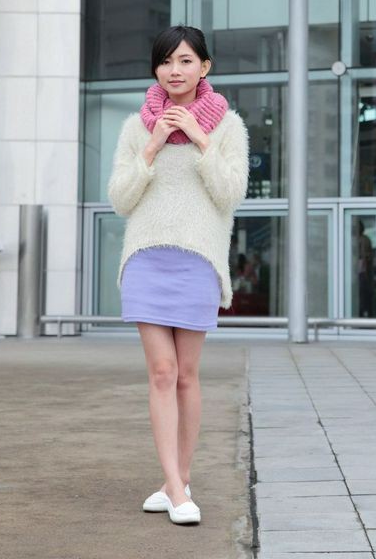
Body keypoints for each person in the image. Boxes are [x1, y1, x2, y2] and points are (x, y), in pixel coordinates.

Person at [107, 26, 249, 525]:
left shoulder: (228, 126)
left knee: (187, 375)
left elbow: (230, 194)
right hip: (146, 257)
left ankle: (179, 482)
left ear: (204, 67)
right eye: (166, 61)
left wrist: (201, 139)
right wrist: (152, 146)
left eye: (186, 60)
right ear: (156, 69)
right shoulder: (135, 127)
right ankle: (174, 486)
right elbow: (121, 199)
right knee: (162, 372)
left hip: (197, 260)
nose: (175, 70)